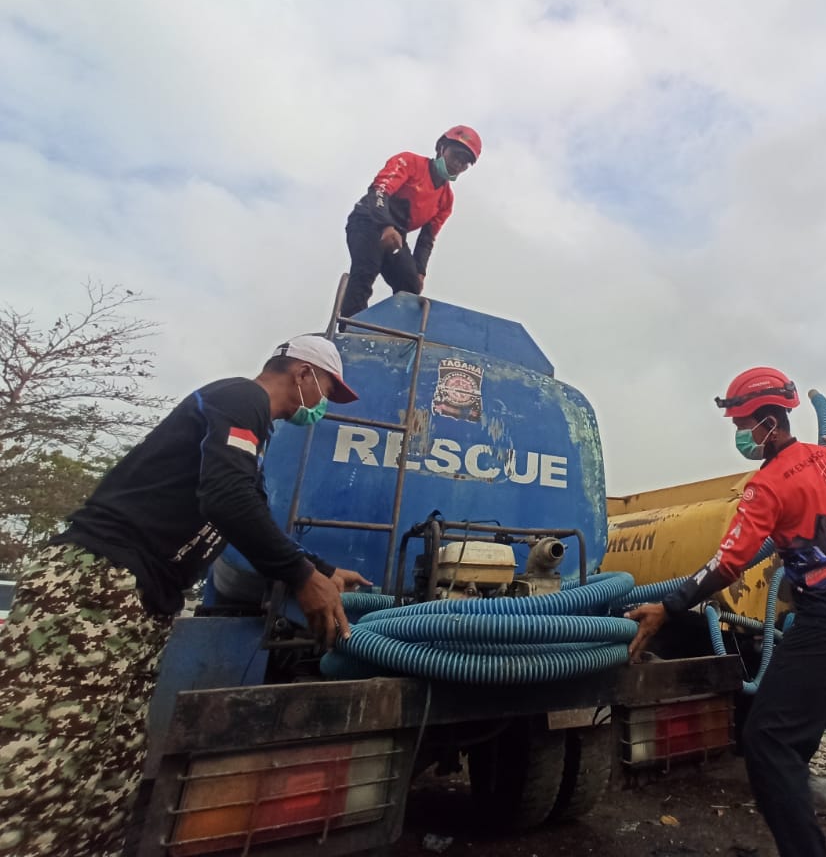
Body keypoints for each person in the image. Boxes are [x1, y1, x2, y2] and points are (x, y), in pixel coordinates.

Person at [0, 334, 373, 857]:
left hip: (141, 601)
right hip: (95, 587)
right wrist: (299, 576)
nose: (324, 406)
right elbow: (227, 499)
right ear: (302, 374)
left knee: (110, 760)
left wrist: (326, 570)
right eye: (327, 391)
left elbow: (252, 513)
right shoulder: (240, 397)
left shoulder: (252, 440)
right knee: (46, 759)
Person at [626, 367, 826, 857]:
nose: (741, 437)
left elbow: (728, 563)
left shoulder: (763, 487)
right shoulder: (824, 461)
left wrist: (669, 604)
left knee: (768, 744)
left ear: (767, 422)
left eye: (742, 427)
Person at [340, 125, 482, 320]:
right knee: (365, 271)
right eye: (456, 155)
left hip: (397, 235)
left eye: (465, 162)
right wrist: (385, 226)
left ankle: (394, 335)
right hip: (368, 220)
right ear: (441, 147)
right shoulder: (409, 162)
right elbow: (379, 191)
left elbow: (427, 239)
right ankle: (349, 329)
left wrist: (420, 271)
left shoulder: (446, 199)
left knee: (410, 286)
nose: (459, 164)